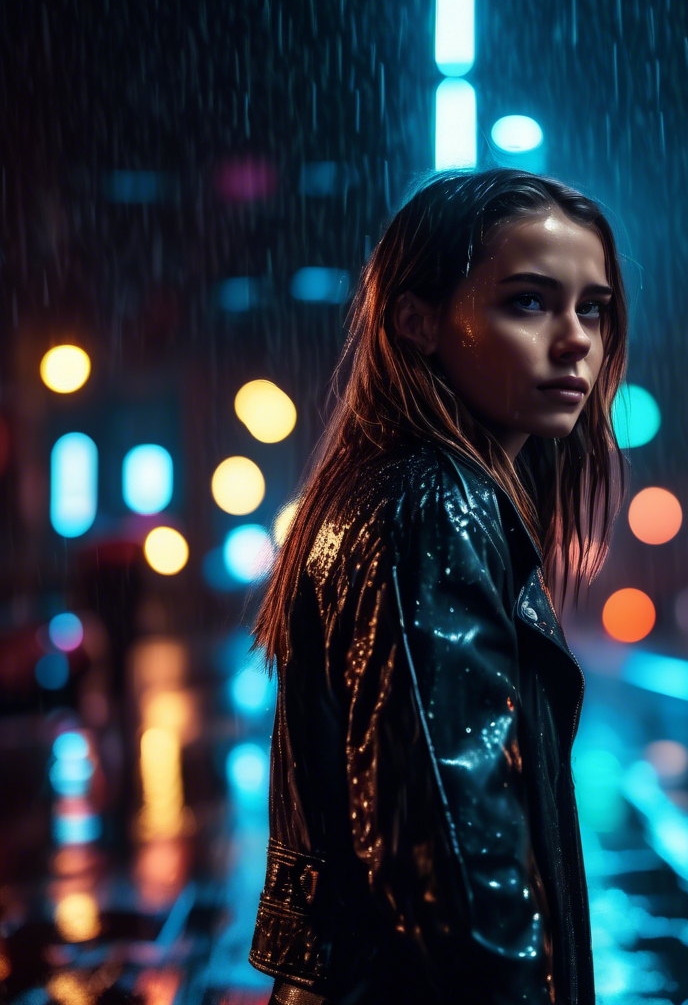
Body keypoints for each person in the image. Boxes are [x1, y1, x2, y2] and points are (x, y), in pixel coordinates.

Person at [245, 168, 629, 1004]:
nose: (576, 341)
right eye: (528, 302)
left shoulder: (396, 491)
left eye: (593, 309)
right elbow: (456, 862)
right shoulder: (433, 505)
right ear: (416, 322)